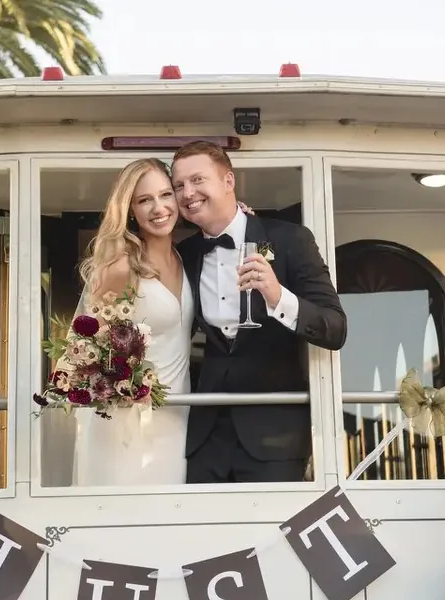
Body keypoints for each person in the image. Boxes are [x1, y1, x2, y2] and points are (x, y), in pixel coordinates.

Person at [68, 158, 255, 485]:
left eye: (166, 195)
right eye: (144, 200)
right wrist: (123, 384)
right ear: (130, 210)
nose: (159, 208)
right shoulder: (121, 266)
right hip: (126, 425)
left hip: (178, 416)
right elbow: (80, 354)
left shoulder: (187, 257)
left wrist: (237, 218)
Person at [172, 141, 347, 484]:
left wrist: (278, 296)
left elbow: (335, 329)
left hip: (274, 435)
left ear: (228, 181)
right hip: (205, 436)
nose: (187, 192)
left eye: (197, 180)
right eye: (179, 185)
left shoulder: (288, 240)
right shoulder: (185, 253)